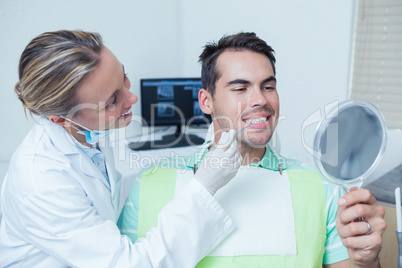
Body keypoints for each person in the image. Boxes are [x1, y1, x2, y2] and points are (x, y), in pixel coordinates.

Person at [118, 32, 386, 267]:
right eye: (240, 88)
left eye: (268, 87)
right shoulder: (149, 185)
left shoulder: (323, 190)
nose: (260, 100)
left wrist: (367, 261)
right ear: (206, 101)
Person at [0, 30, 244, 267]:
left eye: (123, 77)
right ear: (60, 119)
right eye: (112, 101)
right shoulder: (41, 184)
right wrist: (203, 187)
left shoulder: (86, 135)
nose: (131, 99)